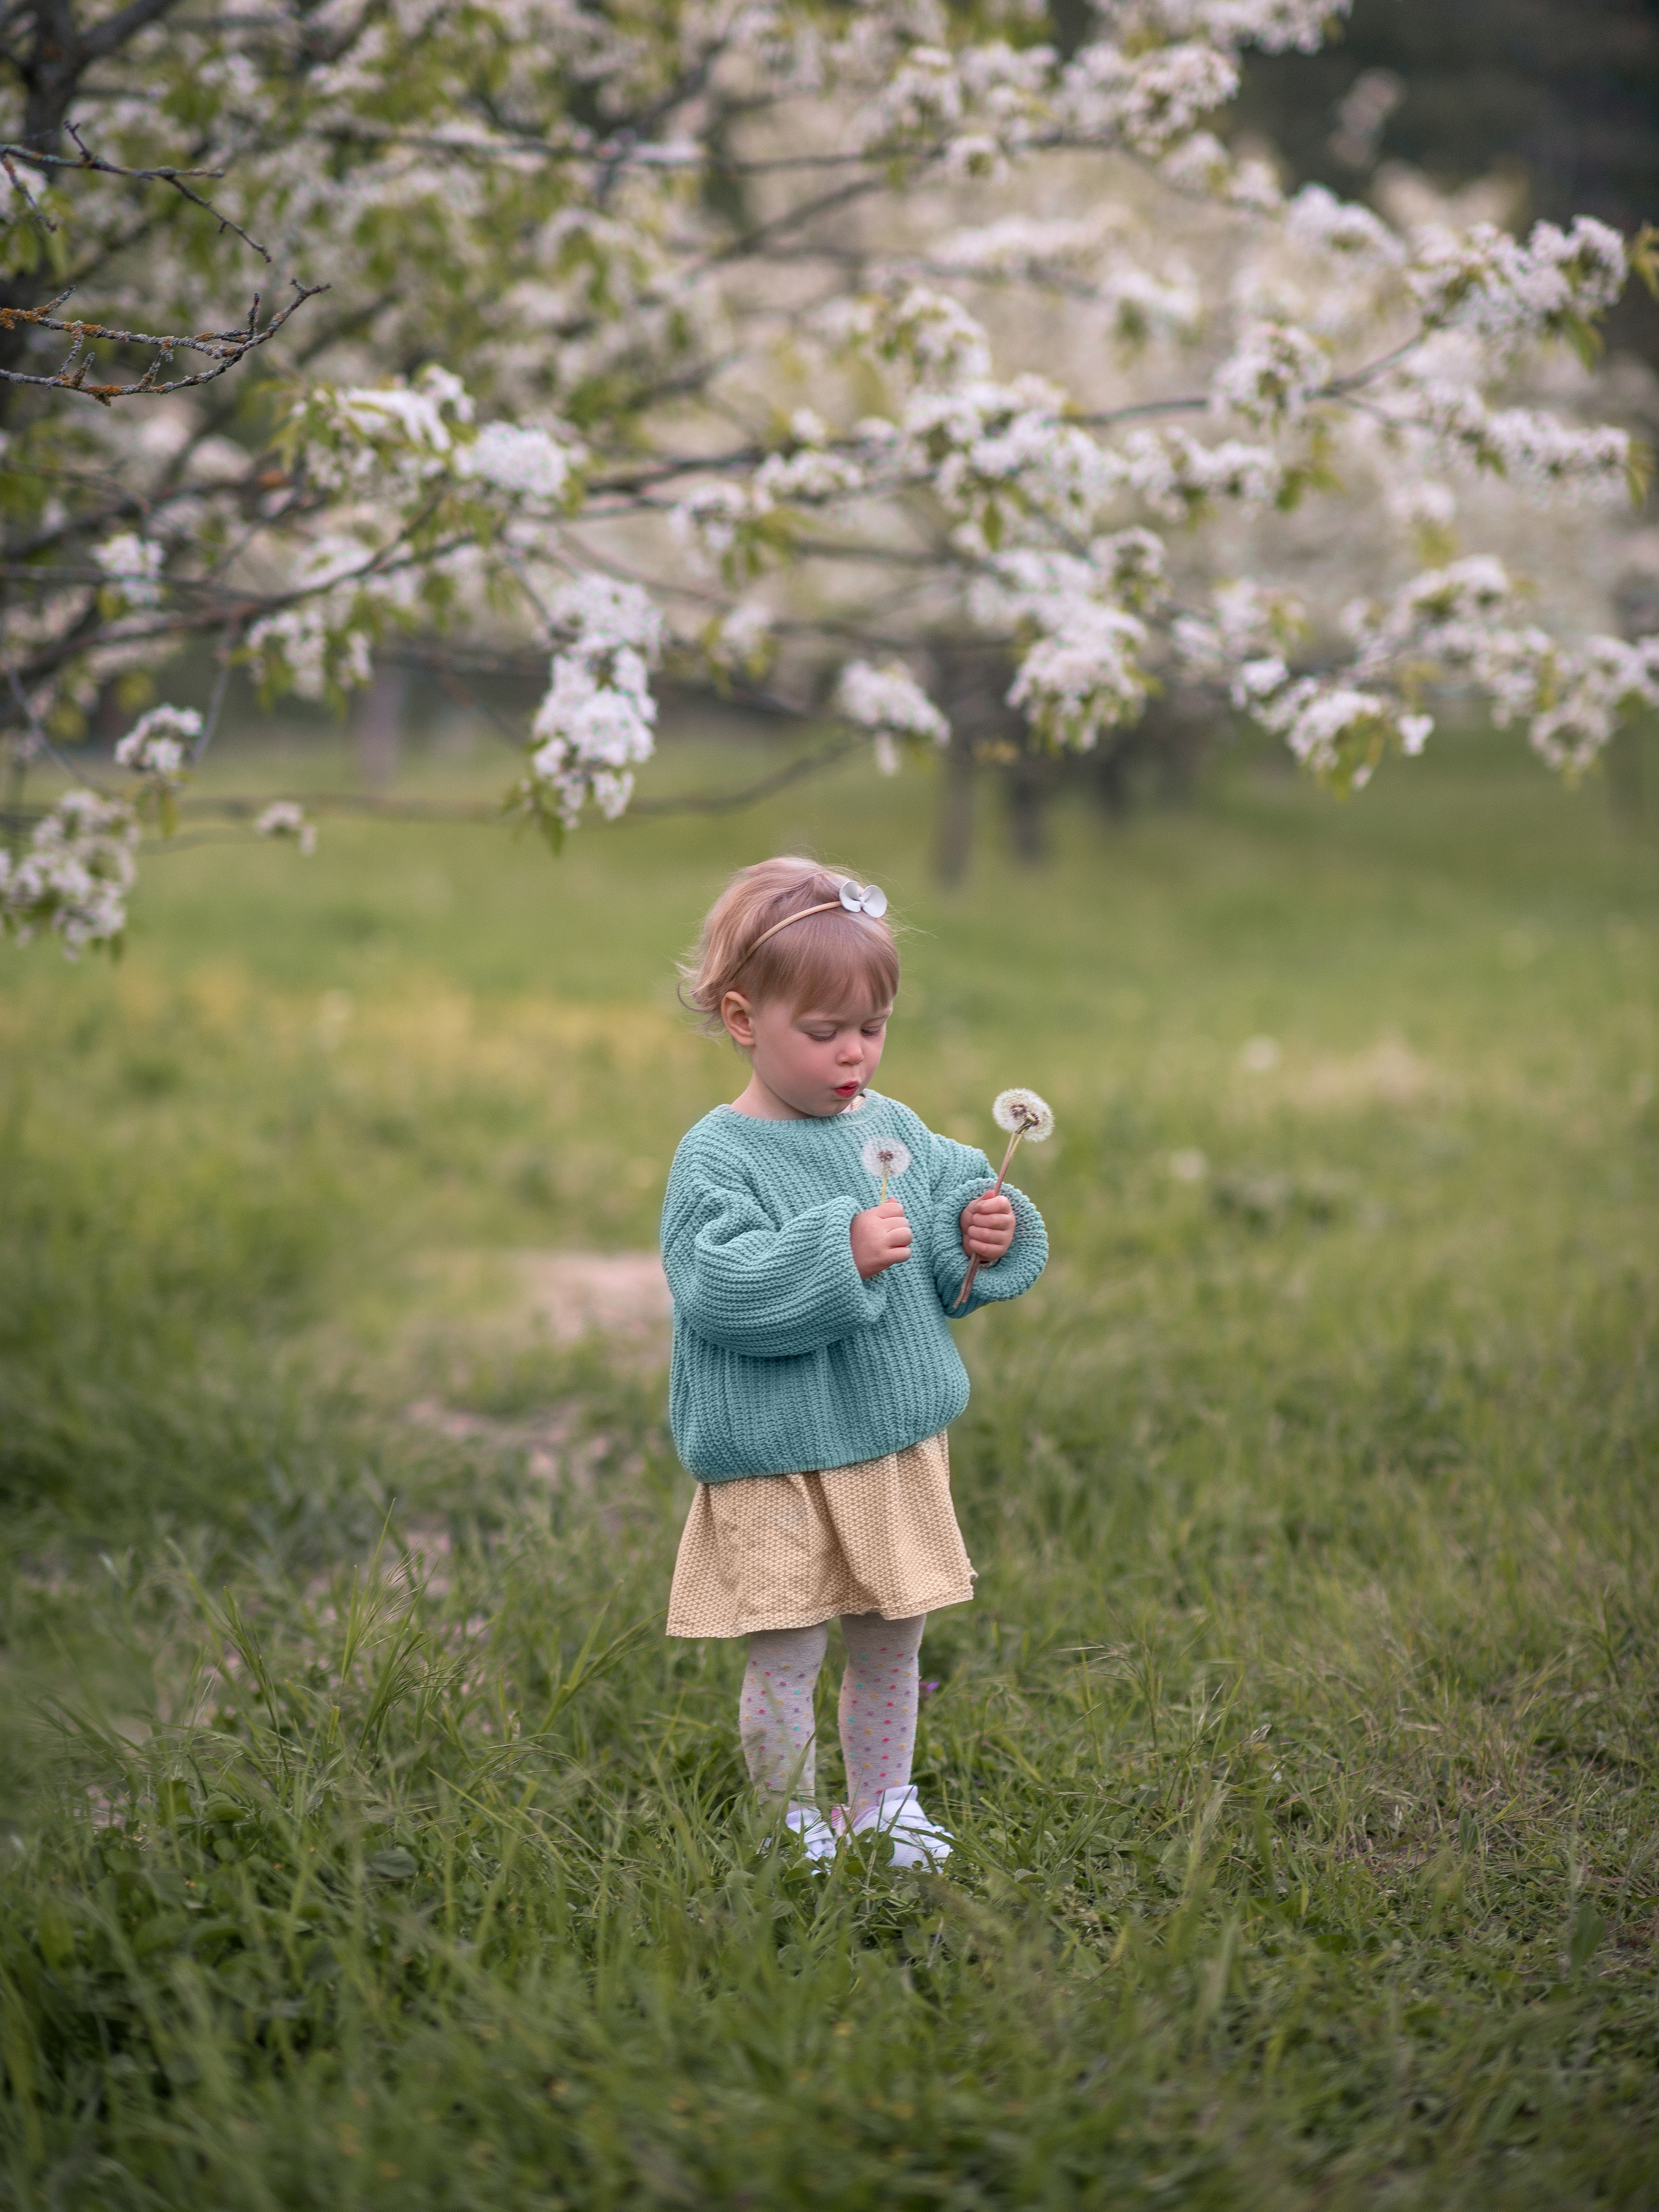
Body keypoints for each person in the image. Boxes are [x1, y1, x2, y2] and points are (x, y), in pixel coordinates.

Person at [662, 856, 1047, 1867]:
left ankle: (883, 1802)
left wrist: (984, 1231)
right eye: (823, 1032)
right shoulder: (719, 1154)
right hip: (779, 1452)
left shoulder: (893, 1129)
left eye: (871, 1028)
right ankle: (791, 1822)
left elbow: (950, 1242)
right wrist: (838, 1249)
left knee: (892, 1640)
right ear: (744, 1019)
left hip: (885, 1443)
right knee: (787, 1650)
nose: (855, 1056)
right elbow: (716, 1284)